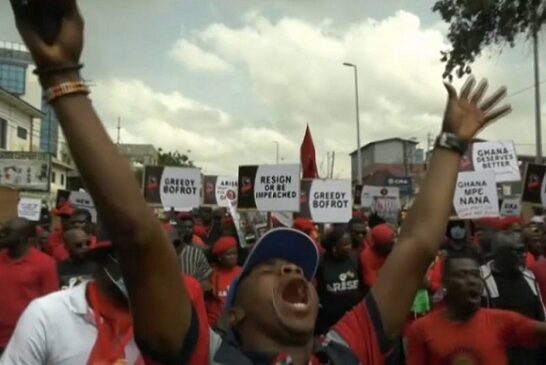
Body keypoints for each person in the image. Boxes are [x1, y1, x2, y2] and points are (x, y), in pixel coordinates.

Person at [9, 1, 512, 363]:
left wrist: (450, 142)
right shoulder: (203, 354)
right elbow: (140, 237)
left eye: (298, 270)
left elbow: (419, 244)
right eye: (268, 268)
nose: (293, 273)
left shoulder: (345, 350)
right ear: (235, 317)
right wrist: (60, 75)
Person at [0, 241, 209, 364]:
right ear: (105, 260)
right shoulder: (47, 315)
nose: (146, 271)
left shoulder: (166, 320)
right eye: (134, 259)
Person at [407, 247, 546, 365]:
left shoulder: (502, 321)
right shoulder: (421, 329)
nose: (471, 281)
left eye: (475, 275)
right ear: (445, 282)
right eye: (461, 275)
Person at [480, 230, 546, 365]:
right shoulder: (481, 280)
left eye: (524, 249)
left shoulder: (528, 276)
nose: (523, 254)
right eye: (517, 250)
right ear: (499, 253)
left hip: (532, 354)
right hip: (501, 354)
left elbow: (540, 312)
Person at [0, 218, 59, 353]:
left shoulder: (45, 264)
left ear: (23, 238)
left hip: (24, 340)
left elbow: (51, 305)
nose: (1, 234)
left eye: (7, 232)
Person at [315, 225, 366, 335]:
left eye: (350, 244)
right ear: (334, 247)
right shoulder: (321, 263)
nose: (349, 247)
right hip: (328, 322)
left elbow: (362, 285)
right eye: (345, 244)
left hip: (352, 320)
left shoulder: (355, 260)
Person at [206, 236, 242, 328]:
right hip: (217, 326)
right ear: (220, 257)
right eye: (229, 254)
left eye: (235, 254)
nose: (233, 257)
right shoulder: (211, 275)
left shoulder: (242, 272)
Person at [173, 217, 212, 291]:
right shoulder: (168, 252)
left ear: (193, 229)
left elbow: (205, 278)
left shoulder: (198, 252)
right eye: (184, 227)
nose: (187, 230)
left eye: (189, 227)